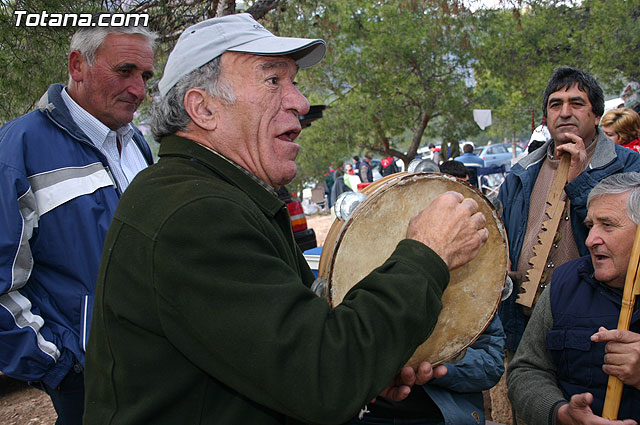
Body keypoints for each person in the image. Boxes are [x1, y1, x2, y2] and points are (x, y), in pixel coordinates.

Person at [83, 13, 489, 425]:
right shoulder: (194, 214)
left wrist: (371, 364)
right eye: (273, 80)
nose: (300, 102)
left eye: (293, 81)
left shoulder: (216, 195)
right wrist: (426, 253)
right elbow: (324, 375)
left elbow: (291, 354)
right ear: (203, 108)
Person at [0, 15, 155, 425]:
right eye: (125, 70)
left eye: (145, 75)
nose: (139, 89)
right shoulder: (19, 149)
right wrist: (58, 365)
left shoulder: (136, 143)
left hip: (159, 361)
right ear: (77, 65)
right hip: (87, 377)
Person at [343, 159, 506, 425]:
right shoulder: (362, 264)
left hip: (437, 416)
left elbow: (491, 365)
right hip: (368, 414)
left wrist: (434, 358)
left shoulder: (473, 284)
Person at [498, 66, 640, 357]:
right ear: (546, 118)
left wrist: (581, 182)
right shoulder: (520, 174)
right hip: (523, 325)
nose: (564, 113)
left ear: (597, 115)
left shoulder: (629, 167)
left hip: (597, 325)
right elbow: (502, 238)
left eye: (576, 103)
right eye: (555, 105)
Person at [507, 172, 640, 424]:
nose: (590, 240)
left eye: (607, 225)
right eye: (590, 226)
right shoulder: (565, 284)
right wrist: (560, 413)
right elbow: (526, 370)